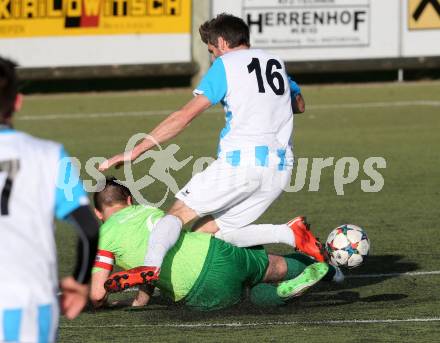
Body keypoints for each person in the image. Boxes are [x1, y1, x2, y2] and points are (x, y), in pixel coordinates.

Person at [99, 13, 324, 290]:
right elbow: (299, 104)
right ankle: (290, 233)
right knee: (213, 232)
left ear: (221, 42)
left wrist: (137, 151)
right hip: (279, 170)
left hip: (240, 164)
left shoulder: (226, 65)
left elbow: (184, 117)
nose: (213, 57)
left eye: (212, 50)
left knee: (177, 215)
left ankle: (150, 267)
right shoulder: (274, 62)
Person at [91, 178, 338, 311]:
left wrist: (107, 303)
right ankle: (328, 269)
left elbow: (98, 293)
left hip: (199, 287)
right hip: (214, 250)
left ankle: (280, 293)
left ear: (98, 214)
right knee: (273, 266)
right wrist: (142, 297)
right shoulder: (148, 211)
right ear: (130, 200)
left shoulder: (104, 238)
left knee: (249, 297)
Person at [0, 57, 100, 342]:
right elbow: (88, 229)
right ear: (17, 102)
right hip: (30, 302)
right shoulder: (49, 155)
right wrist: (80, 283)